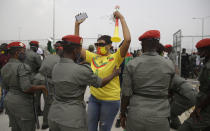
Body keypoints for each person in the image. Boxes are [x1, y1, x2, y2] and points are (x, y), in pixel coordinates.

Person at [48, 35, 120, 131]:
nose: (81, 51)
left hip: (54, 116)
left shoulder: (56, 66)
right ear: (75, 51)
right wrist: (114, 74)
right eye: (80, 49)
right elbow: (100, 83)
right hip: (72, 120)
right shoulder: (82, 70)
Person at [75, 11, 131, 131]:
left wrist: (121, 18)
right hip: (94, 98)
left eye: (101, 44)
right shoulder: (94, 56)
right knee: (90, 128)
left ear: (110, 45)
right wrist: (77, 25)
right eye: (97, 44)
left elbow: (127, 40)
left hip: (110, 100)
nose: (98, 47)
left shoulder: (116, 57)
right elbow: (77, 47)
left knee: (104, 129)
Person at [120, 30, 175, 131]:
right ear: (158, 44)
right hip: (161, 117)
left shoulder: (132, 64)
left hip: (136, 116)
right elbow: (171, 90)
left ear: (142, 44)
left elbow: (126, 94)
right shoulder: (170, 65)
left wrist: (122, 114)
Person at [1, 42, 47, 131]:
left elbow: (4, 86)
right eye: (23, 52)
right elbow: (26, 88)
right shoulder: (22, 67)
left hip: (9, 100)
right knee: (27, 127)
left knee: (15, 127)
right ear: (17, 53)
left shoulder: (5, 67)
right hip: (22, 103)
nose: (25, 54)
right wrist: (42, 87)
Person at [178, 38, 210, 131]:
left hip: (206, 108)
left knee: (186, 127)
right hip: (203, 105)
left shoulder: (209, 67)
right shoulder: (206, 63)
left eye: (201, 51)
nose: (199, 54)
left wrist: (200, 108)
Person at [38, 41, 63, 129]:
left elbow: (41, 69)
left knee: (47, 102)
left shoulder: (49, 57)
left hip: (43, 80)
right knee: (52, 103)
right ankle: (49, 122)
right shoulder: (60, 59)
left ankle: (46, 122)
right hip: (52, 82)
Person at [25, 40, 43, 115]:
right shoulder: (36, 55)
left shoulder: (24, 53)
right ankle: (37, 111)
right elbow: (41, 66)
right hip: (33, 76)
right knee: (36, 94)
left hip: (24, 76)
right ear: (36, 47)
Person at [0, 43, 10, 113]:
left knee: (4, 92)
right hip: (4, 75)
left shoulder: (8, 56)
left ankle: (3, 107)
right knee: (5, 92)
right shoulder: (8, 56)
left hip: (5, 75)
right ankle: (3, 107)